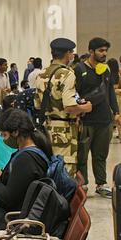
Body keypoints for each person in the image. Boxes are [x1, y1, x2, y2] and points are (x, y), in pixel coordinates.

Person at [0, 108, 53, 237]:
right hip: (18, 212)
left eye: (4, 135)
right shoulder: (33, 151)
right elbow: (20, 183)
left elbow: (8, 198)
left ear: (15, 132)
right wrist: (2, 175)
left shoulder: (26, 159)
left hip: (13, 218)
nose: (3, 139)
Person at [35, 38, 92, 177]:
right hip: (64, 131)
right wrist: (86, 108)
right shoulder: (67, 74)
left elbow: (37, 104)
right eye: (71, 52)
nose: (72, 56)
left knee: (50, 171)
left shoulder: (42, 74)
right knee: (65, 174)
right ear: (67, 53)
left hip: (47, 128)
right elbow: (69, 107)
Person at [75, 37, 121, 197]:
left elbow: (110, 93)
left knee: (101, 155)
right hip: (86, 120)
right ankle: (83, 184)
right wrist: (78, 112)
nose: (104, 53)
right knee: (82, 155)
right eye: (101, 50)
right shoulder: (79, 69)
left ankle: (101, 184)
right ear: (91, 51)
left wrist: (116, 112)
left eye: (105, 50)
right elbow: (75, 94)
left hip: (104, 121)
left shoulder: (106, 70)